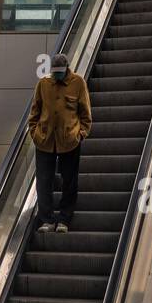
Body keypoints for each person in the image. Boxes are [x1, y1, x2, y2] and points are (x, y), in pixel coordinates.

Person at [27, 52, 91, 233]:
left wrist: (81, 134)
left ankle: (64, 219)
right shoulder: (43, 84)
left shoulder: (78, 83)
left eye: (59, 72)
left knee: (69, 181)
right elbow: (35, 112)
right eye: (54, 72)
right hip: (45, 141)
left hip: (69, 141)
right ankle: (46, 219)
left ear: (66, 69)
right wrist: (35, 133)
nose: (56, 75)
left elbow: (85, 113)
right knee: (43, 182)